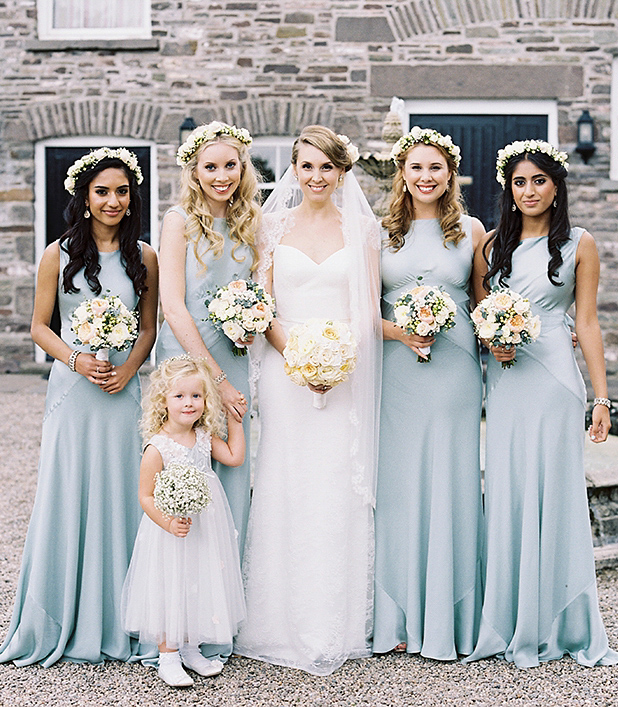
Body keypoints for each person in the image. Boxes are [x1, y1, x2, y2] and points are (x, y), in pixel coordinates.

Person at [0, 147, 158, 666]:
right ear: (85, 196)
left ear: (132, 199)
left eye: (122, 192)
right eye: (102, 191)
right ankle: (63, 615)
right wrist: (77, 359)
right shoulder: (56, 255)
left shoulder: (145, 256)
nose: (112, 201)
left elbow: (149, 326)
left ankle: (125, 618)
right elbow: (40, 325)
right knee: (70, 493)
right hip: (73, 392)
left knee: (124, 493)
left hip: (121, 392)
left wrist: (129, 370)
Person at [467, 139, 618, 669]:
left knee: (554, 493)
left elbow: (587, 322)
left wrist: (602, 397)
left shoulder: (580, 243)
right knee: (508, 490)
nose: (528, 191)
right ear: (507, 190)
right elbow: (477, 312)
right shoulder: (488, 247)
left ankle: (561, 622)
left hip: (555, 379)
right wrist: (491, 339)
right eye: (519, 182)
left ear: (556, 186)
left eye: (538, 181)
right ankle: (509, 620)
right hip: (507, 383)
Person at [234, 126, 382, 675]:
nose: (316, 177)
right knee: (284, 481)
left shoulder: (362, 230)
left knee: (335, 488)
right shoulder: (270, 226)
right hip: (284, 370)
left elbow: (366, 309)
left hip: (344, 370)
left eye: (327, 168)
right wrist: (297, 356)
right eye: (306, 167)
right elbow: (263, 303)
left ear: (343, 173)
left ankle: (334, 623)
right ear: (293, 170)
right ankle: (275, 622)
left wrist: (337, 360)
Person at [373, 128, 487, 660]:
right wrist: (400, 331)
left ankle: (452, 616)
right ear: (402, 173)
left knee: (451, 474)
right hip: (397, 368)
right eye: (416, 168)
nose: (426, 177)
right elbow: (360, 312)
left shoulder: (471, 231)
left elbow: (485, 302)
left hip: (454, 367)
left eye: (436, 168)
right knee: (400, 479)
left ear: (450, 174)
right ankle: (395, 616)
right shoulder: (380, 235)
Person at [155, 121, 261, 559]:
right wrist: (216, 379)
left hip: (234, 354)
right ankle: (178, 595)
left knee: (233, 464)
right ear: (194, 171)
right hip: (187, 360)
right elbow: (173, 306)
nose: (222, 176)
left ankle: (226, 592)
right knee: (184, 463)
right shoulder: (178, 221)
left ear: (242, 167)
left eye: (230, 166)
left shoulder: (249, 221)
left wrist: (253, 321)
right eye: (211, 167)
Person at [120, 356, 246, 687]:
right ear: (163, 401)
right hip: (170, 531)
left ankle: (191, 648)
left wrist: (236, 422)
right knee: (171, 584)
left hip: (205, 526)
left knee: (199, 580)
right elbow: (145, 496)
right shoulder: (157, 447)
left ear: (205, 401)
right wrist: (167, 523)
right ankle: (168, 656)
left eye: (196, 396)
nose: (188, 403)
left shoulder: (204, 437)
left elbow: (234, 457)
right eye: (179, 396)